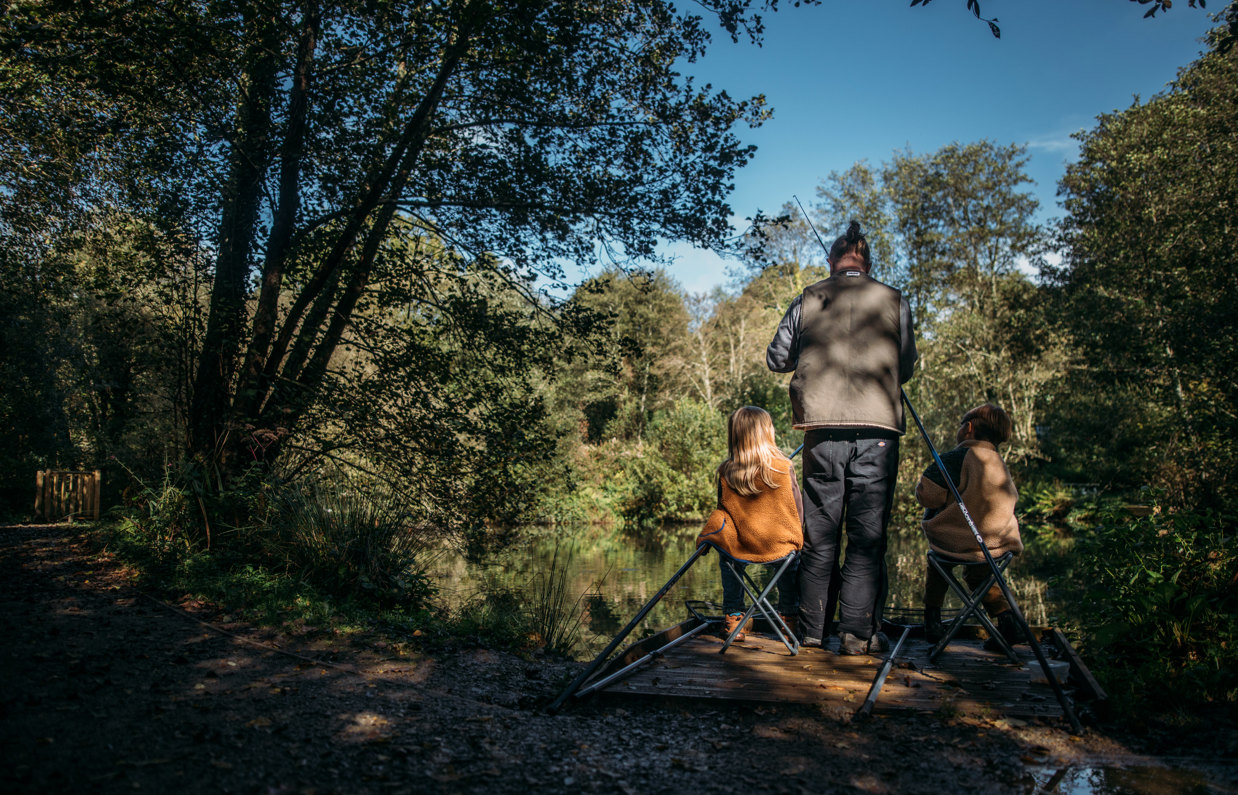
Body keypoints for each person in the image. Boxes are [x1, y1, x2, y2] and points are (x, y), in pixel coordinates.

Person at [766, 220, 917, 655]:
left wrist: (809, 348)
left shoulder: (810, 296)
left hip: (822, 431)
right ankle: (856, 635)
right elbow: (904, 366)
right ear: (868, 264)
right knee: (867, 537)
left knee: (821, 534)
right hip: (879, 433)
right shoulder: (894, 299)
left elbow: (778, 358)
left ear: (831, 262)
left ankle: (813, 631)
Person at [916, 403, 1024, 650]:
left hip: (959, 541)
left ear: (969, 428)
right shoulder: (999, 462)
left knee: (938, 562)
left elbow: (927, 495)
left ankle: (932, 622)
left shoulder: (956, 458)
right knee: (980, 575)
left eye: (961, 425)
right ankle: (1008, 623)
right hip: (998, 543)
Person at [697, 406, 804, 641]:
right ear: (768, 433)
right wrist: (798, 540)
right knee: (793, 562)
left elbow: (723, 514)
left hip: (742, 548)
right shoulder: (783, 468)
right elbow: (797, 511)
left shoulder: (726, 472)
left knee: (728, 558)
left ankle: (734, 618)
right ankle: (789, 618)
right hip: (781, 549)